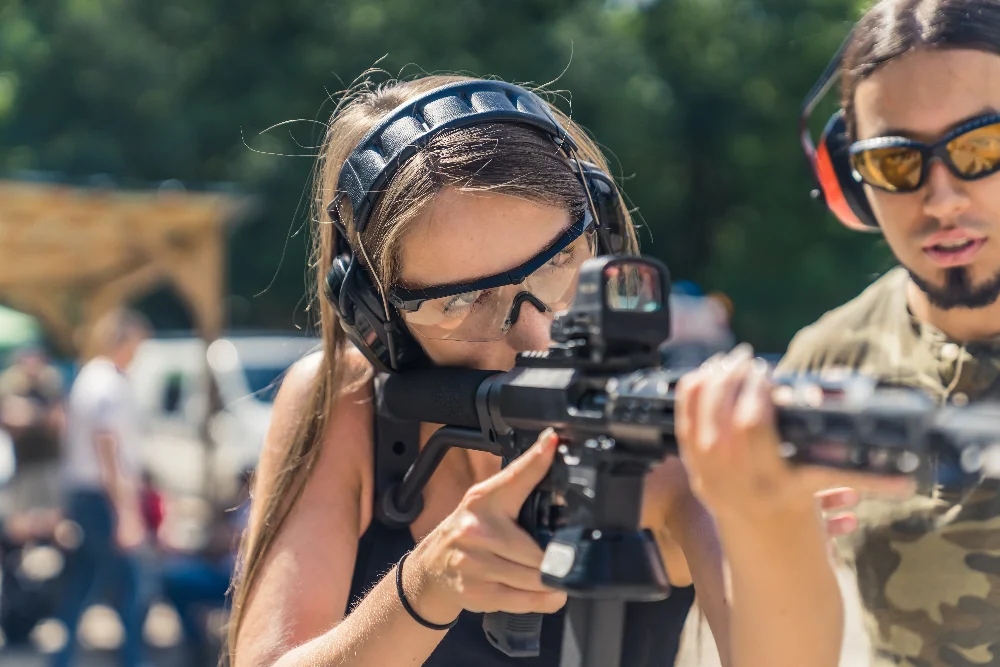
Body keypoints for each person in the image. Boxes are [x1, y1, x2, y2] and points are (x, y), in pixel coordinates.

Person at [225, 75, 907, 667]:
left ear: (603, 241)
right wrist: (427, 583)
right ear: (378, 321)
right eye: (459, 301)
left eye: (556, 265)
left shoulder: (658, 443)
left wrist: (770, 528)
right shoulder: (347, 399)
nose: (532, 333)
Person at [676, 1, 1000, 665]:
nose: (941, 199)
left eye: (983, 146)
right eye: (894, 162)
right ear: (848, 180)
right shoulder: (825, 367)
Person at [52, 308, 152, 667]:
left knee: (86, 580)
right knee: (129, 582)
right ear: (122, 341)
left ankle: (61, 658)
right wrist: (126, 511)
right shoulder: (105, 382)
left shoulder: (93, 377)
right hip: (102, 497)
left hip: (91, 494)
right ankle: (132, 659)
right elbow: (107, 446)